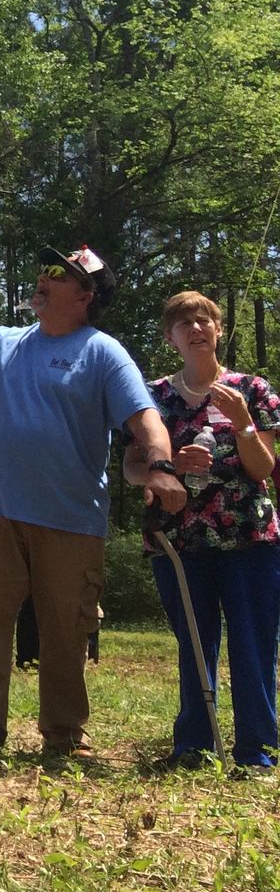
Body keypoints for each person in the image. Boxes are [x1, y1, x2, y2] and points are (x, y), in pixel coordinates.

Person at [0, 232, 185, 761]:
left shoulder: (103, 353)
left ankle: (65, 736)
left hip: (72, 519)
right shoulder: (0, 342)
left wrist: (161, 467)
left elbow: (145, 418)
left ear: (86, 296)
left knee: (67, 628)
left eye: (60, 275)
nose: (45, 278)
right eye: (46, 272)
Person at [120, 291, 280, 769]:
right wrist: (163, 469)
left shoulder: (251, 390)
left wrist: (244, 426)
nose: (196, 327)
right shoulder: (153, 397)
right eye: (184, 322)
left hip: (249, 537)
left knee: (254, 642)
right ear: (171, 338)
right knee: (193, 641)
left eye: (205, 319)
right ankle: (195, 746)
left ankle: (257, 751)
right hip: (179, 540)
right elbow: (130, 466)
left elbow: (263, 468)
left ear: (218, 329)